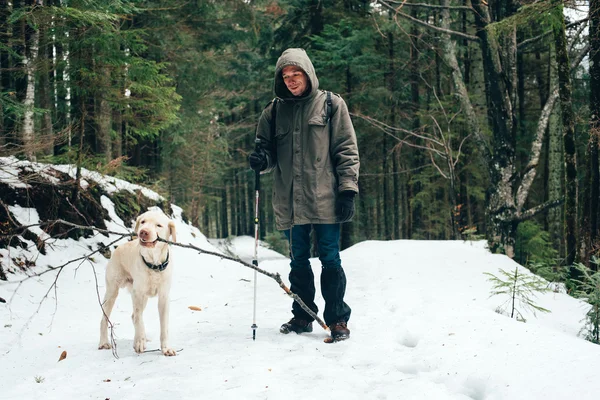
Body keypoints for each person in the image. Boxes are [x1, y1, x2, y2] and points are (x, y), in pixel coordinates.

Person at [248, 48, 360, 342]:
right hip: (290, 200)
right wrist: (260, 160)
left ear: (308, 74)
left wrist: (348, 188)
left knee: (330, 259)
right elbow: (266, 154)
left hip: (325, 197)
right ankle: (303, 315)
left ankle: (337, 320)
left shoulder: (331, 105)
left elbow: (346, 149)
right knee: (298, 261)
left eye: (295, 74)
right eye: (285, 76)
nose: (290, 80)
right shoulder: (272, 112)